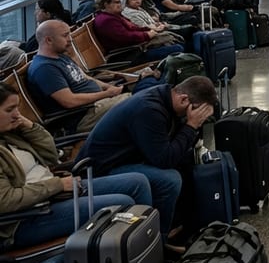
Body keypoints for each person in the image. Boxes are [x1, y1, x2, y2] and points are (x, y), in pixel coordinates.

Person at [0, 83, 154, 249]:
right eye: (9, 110)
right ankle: (135, 256)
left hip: (53, 193)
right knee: (122, 202)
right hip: (26, 219)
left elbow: (51, 156)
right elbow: (6, 201)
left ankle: (150, 245)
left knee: (137, 182)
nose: (17, 115)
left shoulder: (11, 134)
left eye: (17, 108)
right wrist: (57, 185)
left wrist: (30, 128)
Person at [78, 76, 219, 235]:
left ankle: (177, 225)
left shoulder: (165, 98)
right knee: (169, 180)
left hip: (126, 160)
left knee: (184, 163)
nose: (199, 117)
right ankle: (158, 240)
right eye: (198, 111)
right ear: (184, 99)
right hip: (100, 171)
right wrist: (191, 125)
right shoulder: (149, 109)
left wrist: (192, 127)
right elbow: (164, 160)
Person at [26, 20, 137, 133]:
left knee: (146, 83)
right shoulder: (44, 68)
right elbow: (69, 101)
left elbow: (85, 77)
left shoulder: (60, 56)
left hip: (98, 103)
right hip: (84, 115)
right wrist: (107, 93)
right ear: (49, 40)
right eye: (65, 35)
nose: (70, 39)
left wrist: (108, 87)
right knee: (141, 99)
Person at [92, 0, 183, 63]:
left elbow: (133, 28)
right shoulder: (106, 21)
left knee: (174, 41)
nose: (120, 4)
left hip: (134, 49)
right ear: (106, 4)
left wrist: (148, 29)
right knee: (177, 48)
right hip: (127, 56)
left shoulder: (112, 16)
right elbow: (125, 37)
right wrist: (147, 35)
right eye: (117, 2)